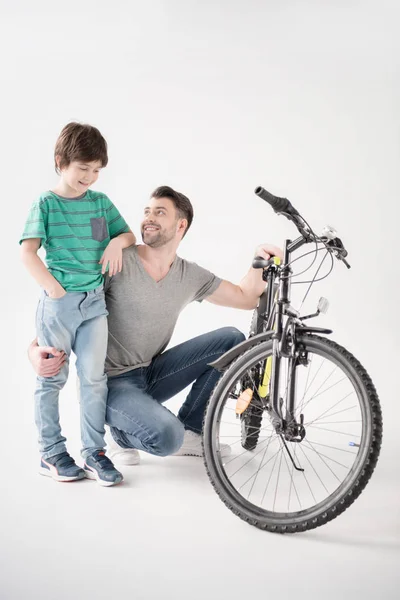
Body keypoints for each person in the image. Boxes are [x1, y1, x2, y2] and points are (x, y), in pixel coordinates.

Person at [28, 185, 282, 467]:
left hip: (152, 371)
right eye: (147, 211)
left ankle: (193, 431)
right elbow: (67, 306)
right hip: (109, 384)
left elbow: (245, 297)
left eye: (160, 213)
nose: (149, 218)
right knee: (166, 437)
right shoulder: (118, 261)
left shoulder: (189, 275)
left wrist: (260, 259)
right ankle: (122, 436)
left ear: (180, 225)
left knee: (231, 339)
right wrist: (34, 349)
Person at [20, 122, 136, 486]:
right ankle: (51, 451)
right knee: (52, 379)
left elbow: (127, 235)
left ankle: (93, 453)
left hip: (95, 305)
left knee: (94, 379)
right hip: (59, 306)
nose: (89, 176)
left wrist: (118, 243)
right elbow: (27, 253)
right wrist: (54, 290)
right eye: (83, 168)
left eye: (96, 170)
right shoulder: (47, 203)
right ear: (61, 162)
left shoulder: (100, 203)